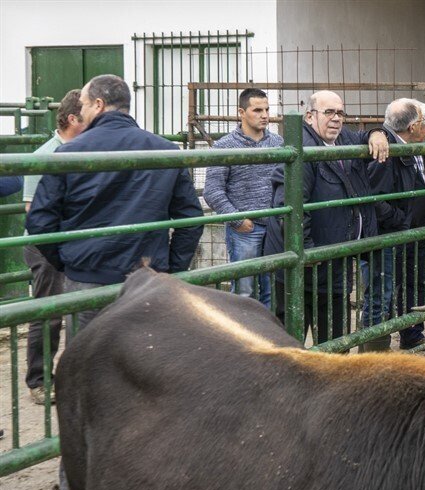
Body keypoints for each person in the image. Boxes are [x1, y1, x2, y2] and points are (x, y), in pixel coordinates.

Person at [26, 74, 203, 338]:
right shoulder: (165, 151)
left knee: (88, 355)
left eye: (83, 104)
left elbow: (39, 221)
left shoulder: (68, 154)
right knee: (144, 354)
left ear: (98, 105)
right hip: (147, 277)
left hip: (87, 276)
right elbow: (191, 219)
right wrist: (171, 268)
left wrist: (69, 263)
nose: (81, 111)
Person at [262, 90, 390, 345]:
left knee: (335, 341)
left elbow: (361, 135)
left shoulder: (341, 137)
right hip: (305, 266)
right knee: (290, 343)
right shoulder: (302, 148)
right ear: (310, 116)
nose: (336, 118)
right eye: (329, 112)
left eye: (340, 113)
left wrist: (377, 133)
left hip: (335, 262)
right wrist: (308, 252)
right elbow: (290, 207)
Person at [22, 89, 84, 405]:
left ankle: (73, 378)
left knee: (77, 309)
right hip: (47, 245)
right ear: (73, 119)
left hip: (72, 241)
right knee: (49, 312)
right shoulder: (47, 155)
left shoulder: (83, 151)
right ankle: (39, 380)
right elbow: (34, 213)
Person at [366, 98, 425, 350]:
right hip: (392, 232)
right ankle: (377, 348)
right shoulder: (386, 149)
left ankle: (410, 333)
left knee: (411, 281)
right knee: (383, 290)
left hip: (412, 230)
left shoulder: (411, 148)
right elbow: (374, 197)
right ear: (412, 126)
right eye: (424, 124)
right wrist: (401, 220)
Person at [203, 87, 282, 309]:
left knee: (272, 290)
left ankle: (265, 331)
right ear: (241, 112)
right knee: (245, 291)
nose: (264, 115)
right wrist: (238, 220)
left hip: (274, 226)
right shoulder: (224, 146)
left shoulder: (278, 143)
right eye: (257, 110)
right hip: (245, 230)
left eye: (266, 110)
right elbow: (212, 190)